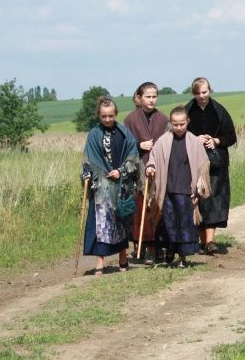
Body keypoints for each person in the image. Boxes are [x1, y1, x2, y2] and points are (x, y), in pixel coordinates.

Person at [145, 107, 211, 268]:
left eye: (182, 124)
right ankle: (170, 250)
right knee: (168, 223)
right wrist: (150, 167)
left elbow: (203, 165)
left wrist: (199, 189)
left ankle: (182, 258)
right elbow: (153, 157)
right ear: (171, 123)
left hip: (185, 190)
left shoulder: (194, 141)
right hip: (166, 190)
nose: (179, 127)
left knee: (184, 224)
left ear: (187, 122)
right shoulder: (163, 141)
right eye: (175, 124)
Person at [81, 97, 140, 276]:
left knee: (121, 222)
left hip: (121, 185)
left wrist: (121, 171)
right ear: (99, 115)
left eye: (110, 116)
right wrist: (87, 173)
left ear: (116, 114)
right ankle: (100, 262)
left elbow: (133, 155)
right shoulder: (94, 134)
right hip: (101, 186)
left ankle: (123, 258)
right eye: (104, 116)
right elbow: (87, 157)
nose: (107, 119)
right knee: (101, 225)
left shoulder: (124, 132)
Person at [185, 77, 237, 255]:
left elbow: (231, 137)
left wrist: (215, 141)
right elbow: (177, 133)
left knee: (213, 200)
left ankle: (210, 241)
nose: (202, 96)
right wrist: (194, 140)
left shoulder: (219, 111)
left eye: (205, 92)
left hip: (216, 163)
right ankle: (202, 240)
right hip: (192, 162)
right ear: (194, 93)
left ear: (210, 90)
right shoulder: (187, 111)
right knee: (197, 198)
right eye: (198, 93)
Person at [124, 81, 168, 264]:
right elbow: (124, 146)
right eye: (148, 97)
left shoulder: (163, 119)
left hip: (159, 170)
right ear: (139, 98)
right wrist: (138, 145)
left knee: (158, 209)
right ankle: (145, 248)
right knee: (141, 210)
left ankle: (159, 247)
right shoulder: (130, 120)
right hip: (138, 172)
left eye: (154, 96)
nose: (151, 100)